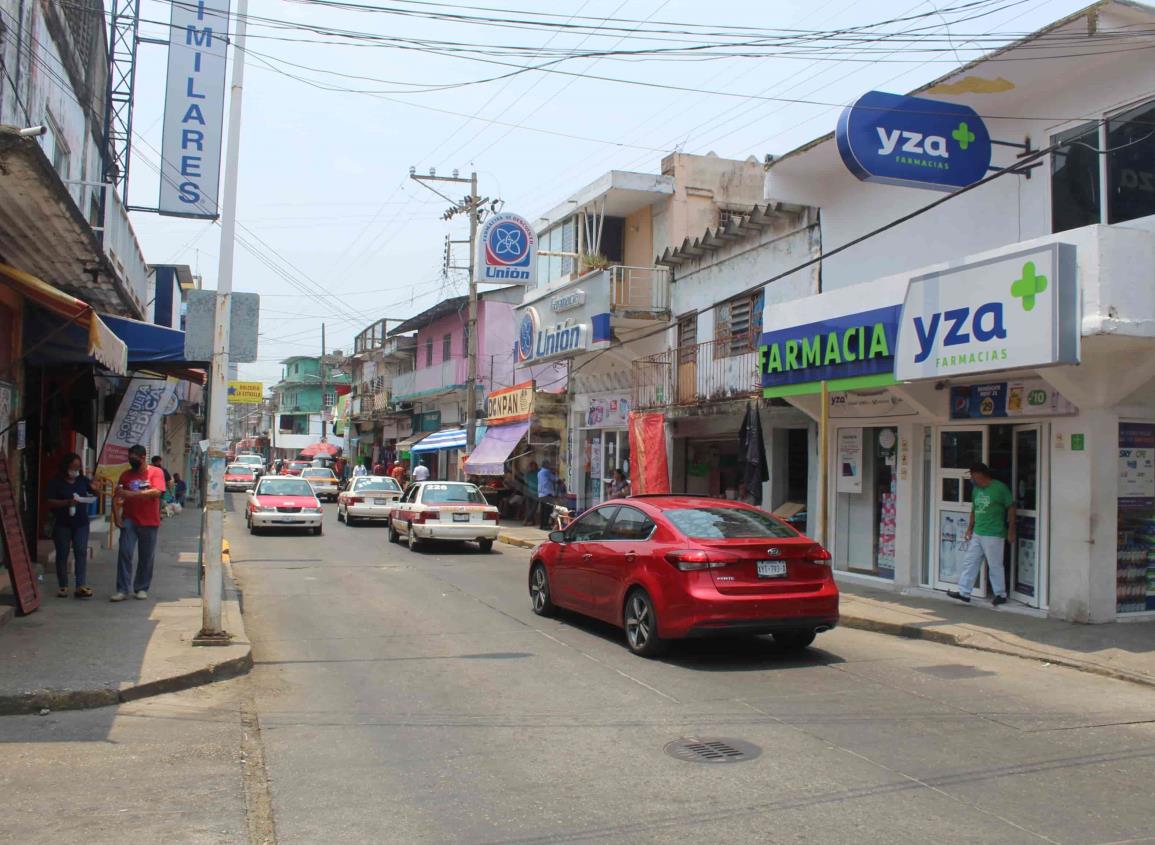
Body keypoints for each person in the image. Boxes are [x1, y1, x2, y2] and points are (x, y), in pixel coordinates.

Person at [949, 462, 1015, 606]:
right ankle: (964, 592)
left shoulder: (1000, 488)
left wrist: (1011, 530)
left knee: (995, 565)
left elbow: (1011, 508)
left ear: (980, 474)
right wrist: (969, 529)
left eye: (973, 475)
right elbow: (974, 510)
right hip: (978, 532)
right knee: (970, 562)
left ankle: (1000, 594)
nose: (972, 478)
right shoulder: (976, 490)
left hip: (994, 533)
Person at [111, 444, 167, 602]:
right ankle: (122, 589)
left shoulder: (155, 472)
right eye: (129, 458)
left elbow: (156, 492)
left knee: (146, 556)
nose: (131, 461)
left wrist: (132, 494)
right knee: (125, 552)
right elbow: (117, 497)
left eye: (134, 459)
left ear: (143, 458)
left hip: (150, 521)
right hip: (130, 519)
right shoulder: (126, 475)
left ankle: (141, 587)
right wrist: (117, 516)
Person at [44, 453, 100, 598]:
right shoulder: (56, 481)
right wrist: (67, 502)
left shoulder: (82, 480)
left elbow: (95, 494)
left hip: (81, 522)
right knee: (62, 553)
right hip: (62, 523)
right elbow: (49, 501)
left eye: (77, 467)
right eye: (73, 467)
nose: (75, 470)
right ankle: (63, 585)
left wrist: (95, 488)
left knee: (81, 551)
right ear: (66, 467)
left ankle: (80, 585)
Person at [537, 460, 558, 530]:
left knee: (543, 511)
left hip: (541, 494)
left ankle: (542, 525)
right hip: (547, 494)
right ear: (546, 465)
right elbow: (555, 479)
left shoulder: (539, 472)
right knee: (548, 511)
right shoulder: (547, 471)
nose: (549, 466)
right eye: (548, 464)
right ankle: (546, 525)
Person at [523, 460, 539, 526]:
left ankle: (527, 520)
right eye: (531, 466)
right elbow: (526, 482)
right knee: (529, 508)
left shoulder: (538, 473)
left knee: (533, 508)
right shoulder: (528, 474)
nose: (531, 468)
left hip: (536, 493)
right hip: (529, 493)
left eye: (533, 466)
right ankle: (532, 521)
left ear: (536, 467)